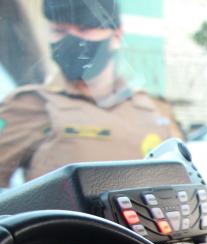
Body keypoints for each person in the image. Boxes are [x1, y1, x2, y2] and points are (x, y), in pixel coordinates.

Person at [0, 0, 182, 188]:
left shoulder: (155, 111)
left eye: (84, 29)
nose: (72, 41)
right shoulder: (30, 105)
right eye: (59, 31)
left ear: (116, 35)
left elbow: (185, 188)